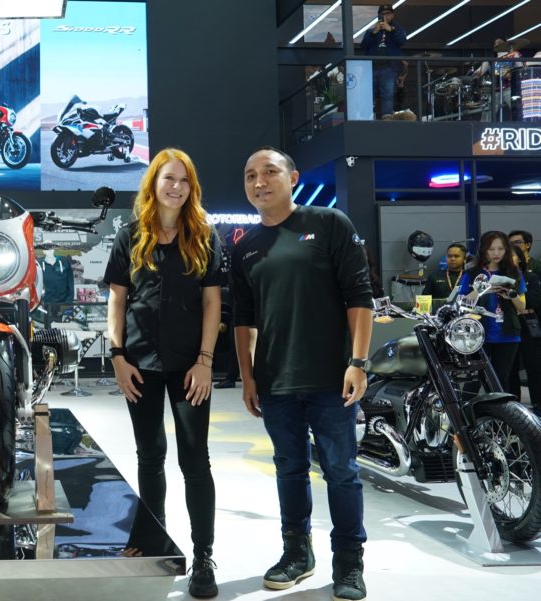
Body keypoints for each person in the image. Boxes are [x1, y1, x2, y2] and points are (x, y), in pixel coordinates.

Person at [233, 147, 372, 601]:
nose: (259, 182)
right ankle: (297, 553)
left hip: (332, 378)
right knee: (289, 469)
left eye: (269, 172)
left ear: (292, 177)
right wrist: (248, 377)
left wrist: (358, 362)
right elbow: (243, 319)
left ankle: (349, 561)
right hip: (275, 381)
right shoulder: (246, 245)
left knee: (341, 472)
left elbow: (359, 296)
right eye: (250, 176)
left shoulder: (329, 223)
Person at [104, 147, 223, 599]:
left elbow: (212, 303)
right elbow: (118, 299)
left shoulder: (203, 237)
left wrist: (205, 361)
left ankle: (203, 556)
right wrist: (117, 356)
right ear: (153, 184)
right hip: (139, 366)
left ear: (192, 188)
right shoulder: (131, 236)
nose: (176, 187)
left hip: (191, 367)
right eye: (168, 178)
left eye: (184, 180)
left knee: (195, 460)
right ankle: (153, 538)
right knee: (150, 455)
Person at [458, 231, 526, 393]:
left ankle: (498, 408)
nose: (496, 253)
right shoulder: (472, 272)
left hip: (508, 334)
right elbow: (462, 304)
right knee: (474, 379)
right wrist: (480, 291)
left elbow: (522, 307)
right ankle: (467, 408)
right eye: (491, 249)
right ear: (483, 250)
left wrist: (511, 295)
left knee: (501, 379)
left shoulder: (513, 272)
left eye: (501, 249)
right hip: (478, 334)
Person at [509, 245, 541, 410]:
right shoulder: (498, 278)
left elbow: (534, 300)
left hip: (528, 324)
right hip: (508, 324)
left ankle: (538, 404)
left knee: (534, 365)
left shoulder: (530, 276)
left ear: (520, 259)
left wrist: (516, 299)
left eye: (512, 255)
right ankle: (512, 406)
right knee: (510, 368)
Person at [361, 4, 407, 119]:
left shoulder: (397, 29)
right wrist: (373, 33)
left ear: (392, 15)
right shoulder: (371, 31)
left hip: (389, 68)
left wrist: (391, 30)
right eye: (382, 14)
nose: (384, 16)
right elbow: (364, 46)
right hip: (372, 68)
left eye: (387, 13)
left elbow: (402, 41)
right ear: (378, 16)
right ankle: (366, 118)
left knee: (387, 94)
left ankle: (387, 119)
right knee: (368, 94)